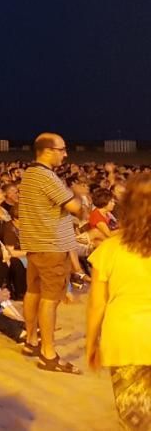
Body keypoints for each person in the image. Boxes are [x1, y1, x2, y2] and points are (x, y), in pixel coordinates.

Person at [86, 173, 151, 430]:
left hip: (125, 339)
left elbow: (97, 303)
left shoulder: (110, 249)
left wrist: (91, 342)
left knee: (136, 421)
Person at [19, 133, 84, 374]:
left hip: (36, 245)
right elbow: (76, 209)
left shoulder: (29, 173)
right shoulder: (47, 176)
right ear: (48, 150)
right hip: (53, 247)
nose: (65, 154)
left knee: (33, 291)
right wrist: (79, 192)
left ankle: (32, 341)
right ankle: (49, 354)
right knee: (50, 300)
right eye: (62, 149)